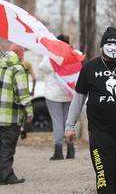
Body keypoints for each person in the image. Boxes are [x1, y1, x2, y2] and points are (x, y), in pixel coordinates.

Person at [64, 27, 116, 194]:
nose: (112, 48)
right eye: (108, 44)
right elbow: (78, 99)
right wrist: (69, 125)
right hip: (100, 132)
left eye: (115, 44)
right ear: (101, 47)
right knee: (104, 176)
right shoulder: (89, 68)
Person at [0, 43, 33, 185]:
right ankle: (6, 176)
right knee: (8, 147)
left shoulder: (1, 66)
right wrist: (29, 112)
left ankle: (3, 174)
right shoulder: (18, 69)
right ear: (21, 55)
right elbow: (22, 95)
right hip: (11, 116)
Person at [39, 33, 75, 160]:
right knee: (69, 122)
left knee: (57, 122)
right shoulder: (73, 54)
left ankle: (58, 151)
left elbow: (42, 68)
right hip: (69, 93)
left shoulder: (51, 56)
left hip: (53, 94)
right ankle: (71, 150)